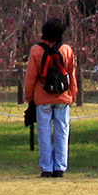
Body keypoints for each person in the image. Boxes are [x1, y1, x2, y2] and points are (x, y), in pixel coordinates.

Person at [22, 16, 79, 178]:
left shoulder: (36, 50)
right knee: (62, 131)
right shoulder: (67, 50)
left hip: (42, 97)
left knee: (44, 132)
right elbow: (71, 74)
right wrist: (73, 93)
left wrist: (29, 96)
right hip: (62, 96)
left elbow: (31, 76)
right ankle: (60, 166)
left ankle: (46, 167)